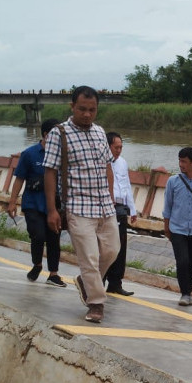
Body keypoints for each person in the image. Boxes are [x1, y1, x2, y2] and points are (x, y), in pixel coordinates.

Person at [42, 85, 120, 323]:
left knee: (111, 251)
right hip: (78, 206)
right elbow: (50, 171)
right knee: (89, 256)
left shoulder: (99, 132)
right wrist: (52, 210)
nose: (87, 114)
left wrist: (111, 195)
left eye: (92, 110)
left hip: (105, 206)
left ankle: (86, 282)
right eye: (82, 109)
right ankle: (96, 303)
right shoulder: (60, 133)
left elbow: (108, 166)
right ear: (72, 107)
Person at [7, 118, 67, 287]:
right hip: (33, 203)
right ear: (46, 135)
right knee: (38, 235)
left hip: (53, 206)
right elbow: (19, 179)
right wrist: (12, 202)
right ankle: (37, 264)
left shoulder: (62, 156)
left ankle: (53, 274)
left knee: (54, 239)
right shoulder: (29, 154)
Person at [162, 147, 192, 306]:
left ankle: (188, 292)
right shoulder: (172, 181)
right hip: (177, 229)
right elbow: (167, 206)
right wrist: (166, 227)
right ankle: (184, 293)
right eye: (179, 160)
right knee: (182, 261)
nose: (180, 164)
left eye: (184, 161)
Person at [103, 132, 137, 296]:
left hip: (121, 209)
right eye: (116, 147)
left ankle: (116, 283)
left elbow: (127, 187)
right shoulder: (101, 162)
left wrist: (133, 209)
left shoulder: (122, 163)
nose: (119, 150)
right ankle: (99, 281)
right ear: (108, 146)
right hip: (105, 209)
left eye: (121, 147)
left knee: (120, 247)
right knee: (104, 247)